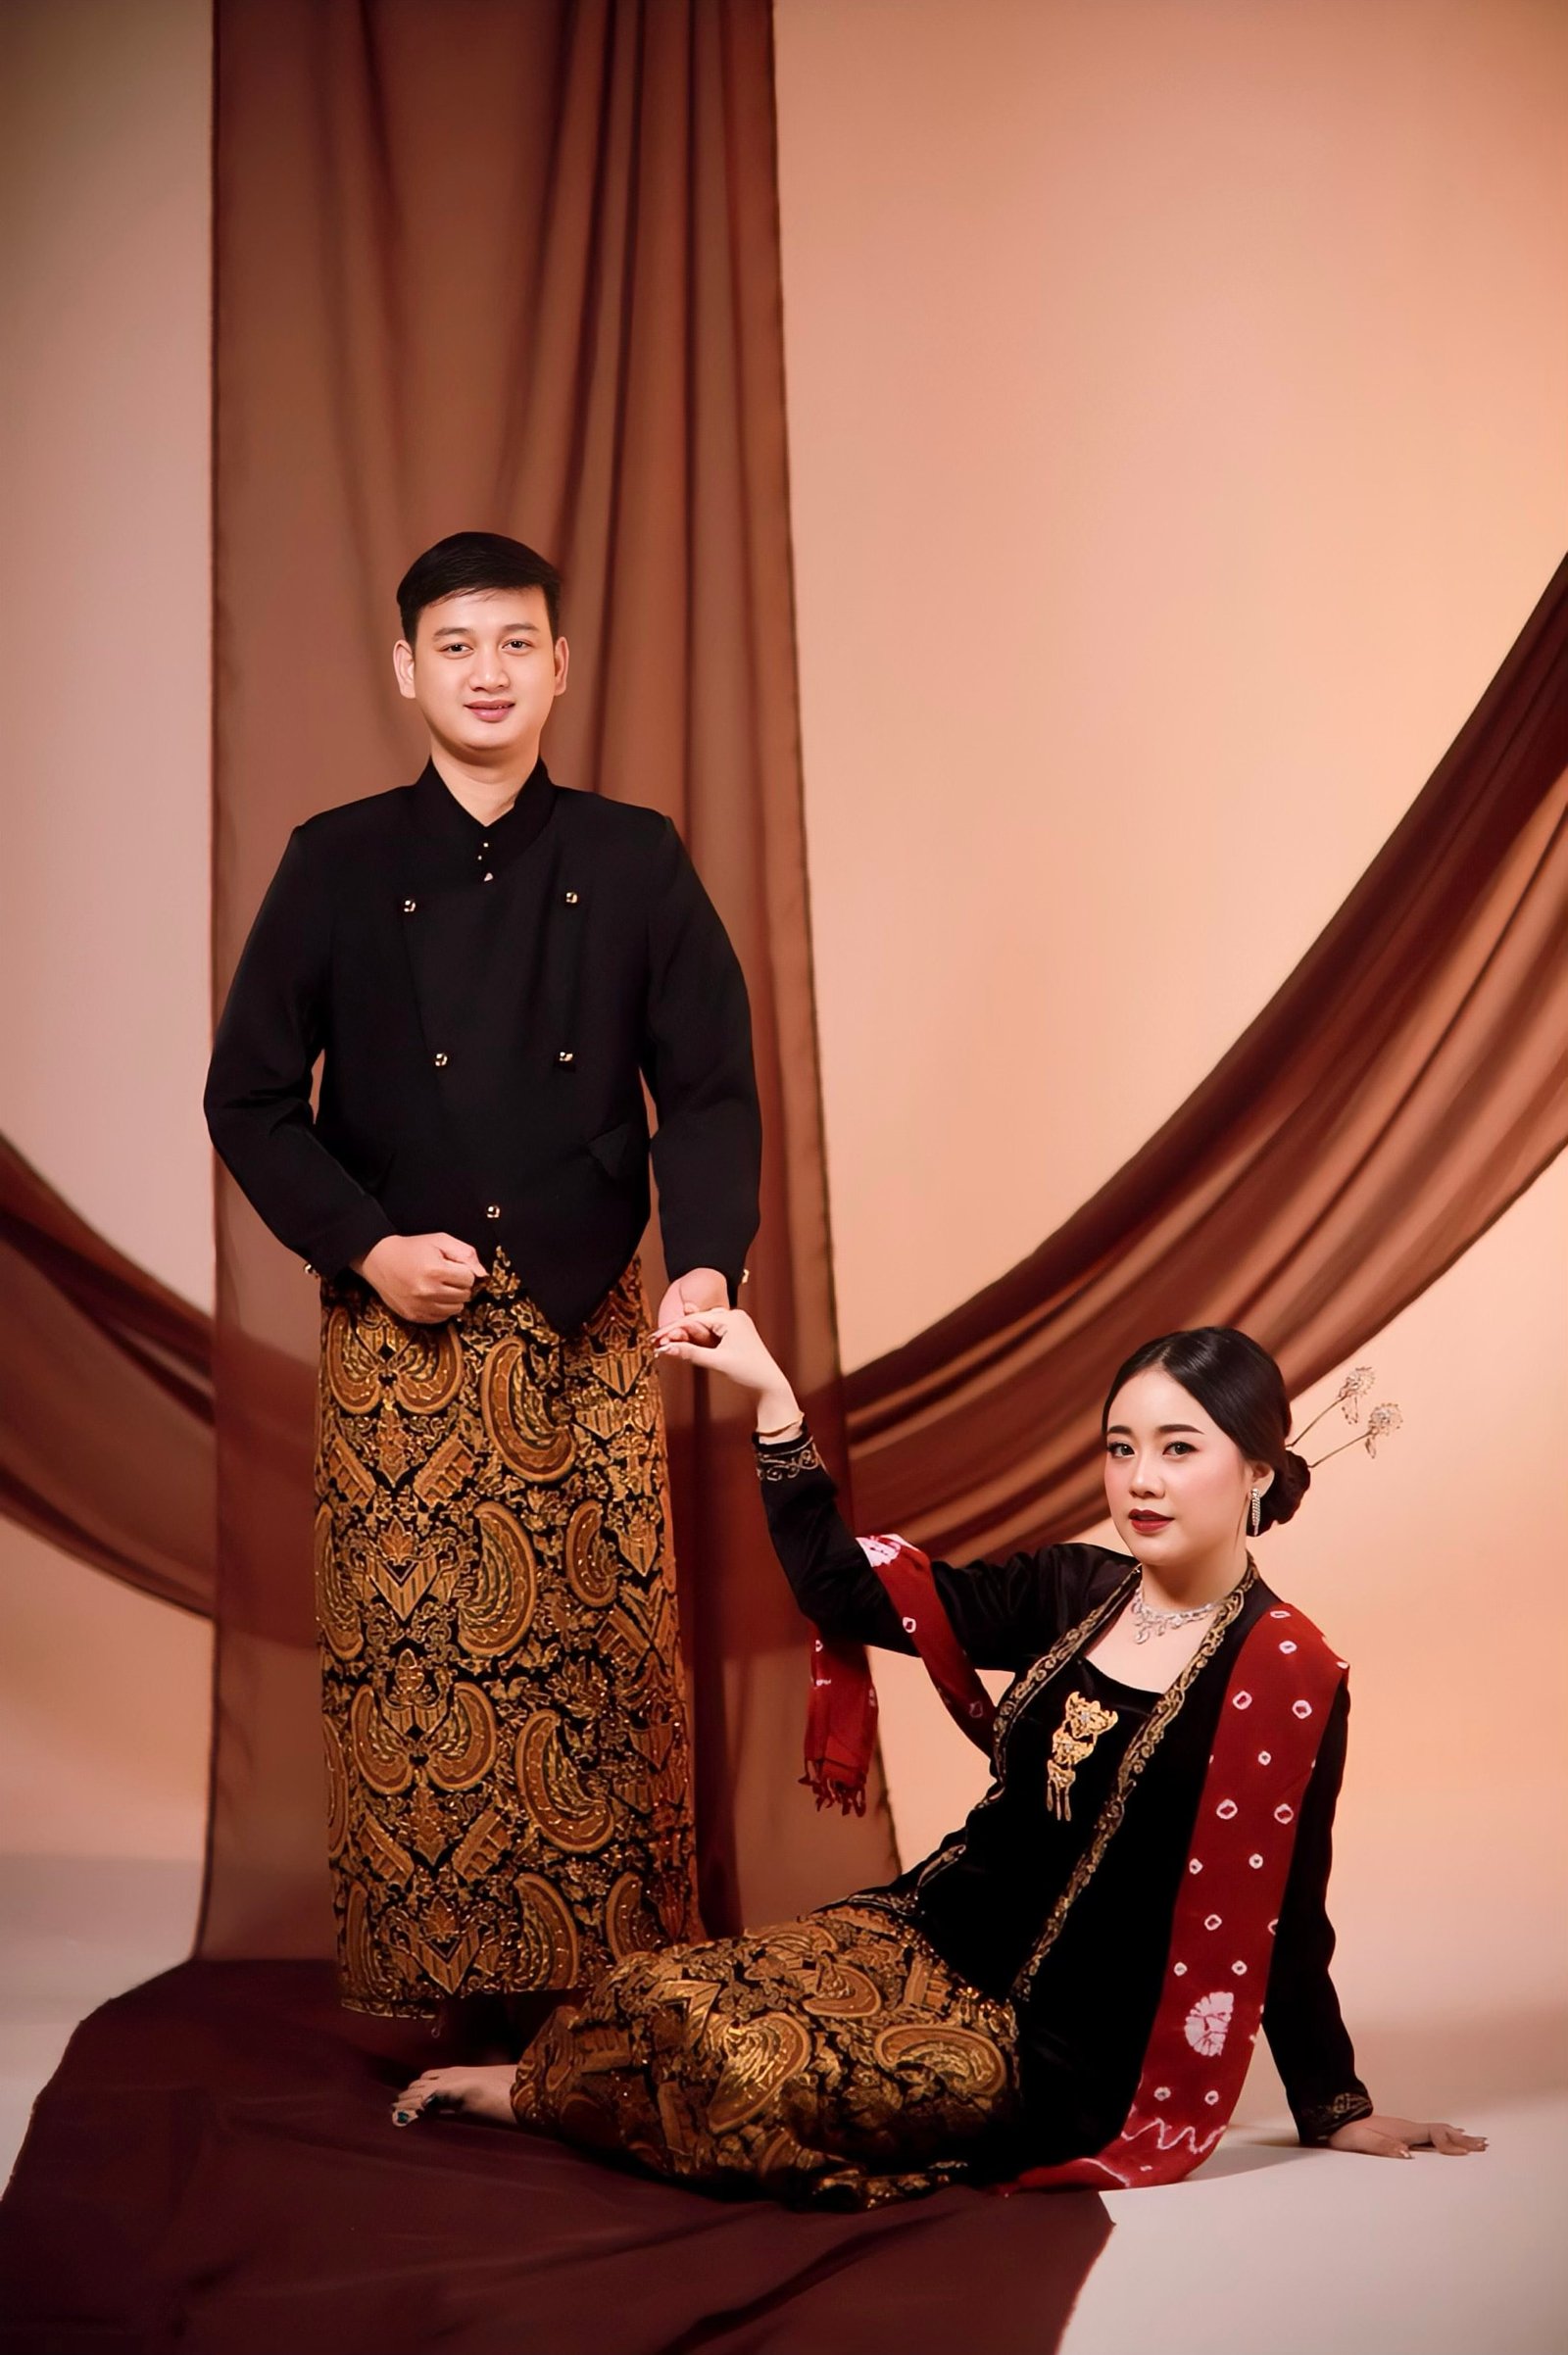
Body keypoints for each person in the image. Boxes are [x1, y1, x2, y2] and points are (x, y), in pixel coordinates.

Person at [392, 1315, 1486, 2206]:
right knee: (652, 1987)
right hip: (914, 1934)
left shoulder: (1285, 1674)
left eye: (1178, 1448)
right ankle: (546, 2082)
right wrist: (774, 1402)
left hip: (1047, 2044)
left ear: (1254, 1470)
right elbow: (846, 1592)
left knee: (750, 2074)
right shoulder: (1073, 1590)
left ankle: (537, 2095)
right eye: (1120, 1448)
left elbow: (1282, 1905)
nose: (1140, 1481)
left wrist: (1332, 2104)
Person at [205, 531, 760, 2024]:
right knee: (419, 1673)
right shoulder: (336, 860)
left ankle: (617, 1994)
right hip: (403, 1331)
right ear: (407, 669)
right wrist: (369, 1246)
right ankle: (449, 1998)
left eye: (517, 642)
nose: (489, 672)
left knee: (605, 1661)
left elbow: (708, 1088)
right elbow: (247, 1096)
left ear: (561, 664)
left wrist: (706, 1260)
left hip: (590, 1316)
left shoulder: (636, 857)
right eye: (456, 645)